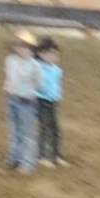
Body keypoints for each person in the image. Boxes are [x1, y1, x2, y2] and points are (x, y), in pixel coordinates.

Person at [4, 30, 42, 174]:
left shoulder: (35, 65)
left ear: (31, 49)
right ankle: (15, 158)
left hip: (26, 101)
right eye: (20, 46)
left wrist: (28, 92)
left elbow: (39, 84)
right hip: (11, 98)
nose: (22, 49)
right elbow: (9, 78)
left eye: (26, 46)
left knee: (27, 134)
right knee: (14, 131)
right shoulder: (10, 60)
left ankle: (27, 163)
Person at [35, 38, 67, 168]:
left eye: (56, 54)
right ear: (41, 54)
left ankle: (56, 155)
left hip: (53, 102)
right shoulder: (37, 68)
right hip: (41, 101)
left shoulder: (57, 70)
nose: (54, 57)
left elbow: (56, 85)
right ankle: (42, 156)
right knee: (44, 129)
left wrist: (57, 96)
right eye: (51, 53)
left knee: (55, 129)